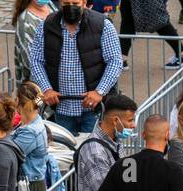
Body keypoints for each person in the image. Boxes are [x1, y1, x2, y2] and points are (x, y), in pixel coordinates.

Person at [28, 0, 123, 136]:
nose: (70, 6)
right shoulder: (46, 26)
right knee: (64, 151)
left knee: (92, 151)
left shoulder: (102, 25)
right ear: (60, 2)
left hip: (93, 108)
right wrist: (46, 89)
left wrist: (99, 91)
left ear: (84, 2)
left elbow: (115, 61)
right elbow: (36, 61)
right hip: (61, 107)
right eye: (66, 3)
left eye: (75, 2)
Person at [75, 94, 137, 191]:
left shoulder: (116, 140)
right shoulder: (94, 152)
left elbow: (129, 181)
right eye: (130, 120)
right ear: (115, 121)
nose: (134, 125)